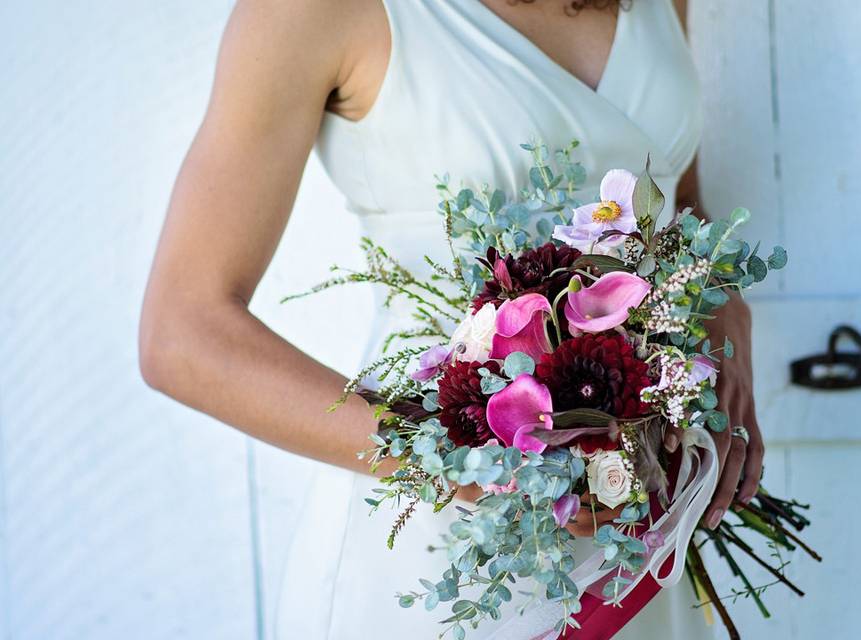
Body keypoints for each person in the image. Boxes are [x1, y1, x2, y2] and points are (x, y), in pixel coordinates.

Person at [139, 0, 762, 637]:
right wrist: (462, 461)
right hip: (449, 551)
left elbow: (674, 203)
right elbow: (183, 335)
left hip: (639, 523)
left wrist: (726, 308)